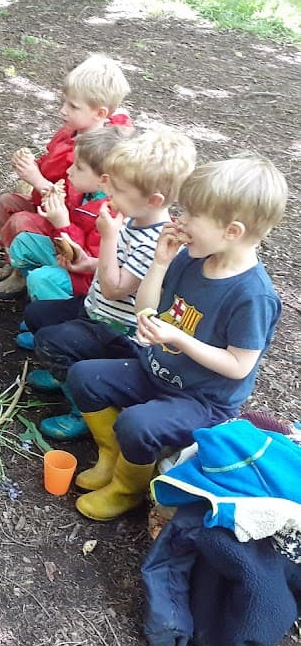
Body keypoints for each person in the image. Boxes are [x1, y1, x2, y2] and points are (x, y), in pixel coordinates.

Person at [64, 157, 286, 521]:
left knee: (137, 423)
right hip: (156, 371)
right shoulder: (191, 258)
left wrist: (180, 340)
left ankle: (127, 489)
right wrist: (161, 263)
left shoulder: (252, 296)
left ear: (231, 231)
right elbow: (148, 309)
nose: (180, 222)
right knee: (85, 376)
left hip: (203, 400)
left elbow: (239, 365)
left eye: (192, 216)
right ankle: (111, 456)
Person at [22, 129, 196, 440]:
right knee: (37, 316)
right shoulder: (132, 218)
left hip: (118, 329)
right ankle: (63, 375)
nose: (110, 196)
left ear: (153, 199)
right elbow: (112, 266)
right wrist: (85, 263)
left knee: (52, 340)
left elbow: (117, 288)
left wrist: (109, 236)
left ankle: (83, 410)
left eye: (118, 190)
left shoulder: (155, 242)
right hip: (95, 308)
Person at [0, 54, 132, 298]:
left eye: (73, 106)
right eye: (64, 102)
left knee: (21, 221)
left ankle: (25, 273)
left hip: (64, 223)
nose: (63, 111)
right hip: (54, 212)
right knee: (5, 202)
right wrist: (33, 165)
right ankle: (12, 263)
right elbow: (50, 163)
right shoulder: (69, 133)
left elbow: (65, 199)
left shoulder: (95, 157)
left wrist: (37, 180)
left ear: (99, 113)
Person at [0, 125, 129, 303]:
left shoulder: (110, 215)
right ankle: (26, 283)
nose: (69, 171)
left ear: (104, 180)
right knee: (23, 243)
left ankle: (54, 314)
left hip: (87, 278)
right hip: (65, 252)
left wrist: (62, 223)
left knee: (41, 279)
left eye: (78, 167)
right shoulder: (82, 190)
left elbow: (84, 260)